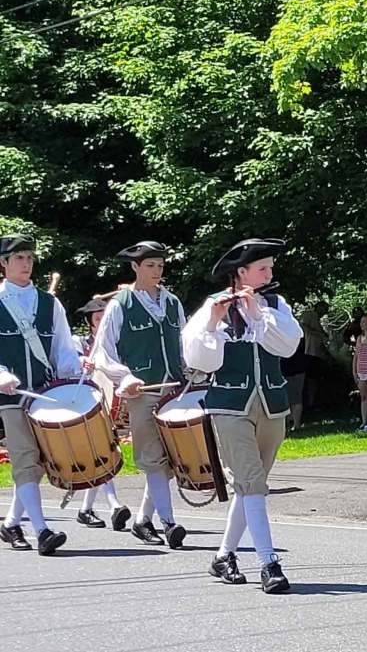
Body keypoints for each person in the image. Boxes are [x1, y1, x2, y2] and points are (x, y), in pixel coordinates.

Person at [182, 237, 302, 594]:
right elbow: (199, 362)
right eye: (262, 268)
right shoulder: (212, 307)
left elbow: (289, 345)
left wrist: (258, 313)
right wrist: (212, 324)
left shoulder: (276, 305)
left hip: (270, 403)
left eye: (269, 267)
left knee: (250, 488)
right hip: (230, 405)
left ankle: (223, 556)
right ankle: (269, 562)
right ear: (241, 272)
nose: (269, 273)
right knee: (252, 483)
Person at [92, 241, 189, 548]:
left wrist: (192, 375)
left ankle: (142, 520)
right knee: (152, 459)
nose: (156, 272)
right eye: (150, 266)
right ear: (135, 267)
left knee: (172, 461)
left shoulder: (172, 302)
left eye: (160, 266)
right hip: (143, 391)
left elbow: (185, 346)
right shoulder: (121, 304)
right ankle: (169, 522)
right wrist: (126, 377)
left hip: (173, 390)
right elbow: (102, 351)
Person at [0, 234, 80, 555]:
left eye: (29, 257)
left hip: (46, 393)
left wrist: (73, 376)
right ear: (3, 263)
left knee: (38, 464)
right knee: (24, 458)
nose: (26, 263)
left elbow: (62, 345)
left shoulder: (50, 303)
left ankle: (10, 524)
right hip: (11, 395)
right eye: (19, 258)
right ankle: (42, 530)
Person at [72, 296, 131, 531]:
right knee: (103, 453)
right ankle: (114, 505)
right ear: (91, 323)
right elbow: (68, 361)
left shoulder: (116, 348)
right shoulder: (80, 343)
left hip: (110, 408)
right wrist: (82, 362)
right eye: (98, 319)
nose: (102, 323)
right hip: (85, 405)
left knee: (103, 453)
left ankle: (85, 510)